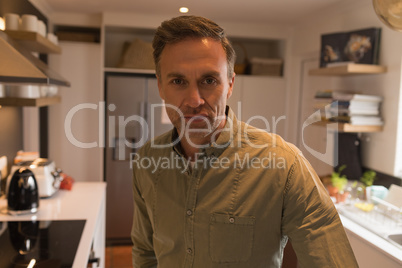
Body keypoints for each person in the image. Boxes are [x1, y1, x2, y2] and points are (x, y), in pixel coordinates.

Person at [131, 15, 358, 267]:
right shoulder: (147, 160)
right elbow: (146, 251)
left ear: (229, 84)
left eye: (209, 80)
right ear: (161, 86)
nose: (194, 100)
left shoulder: (283, 166)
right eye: (178, 81)